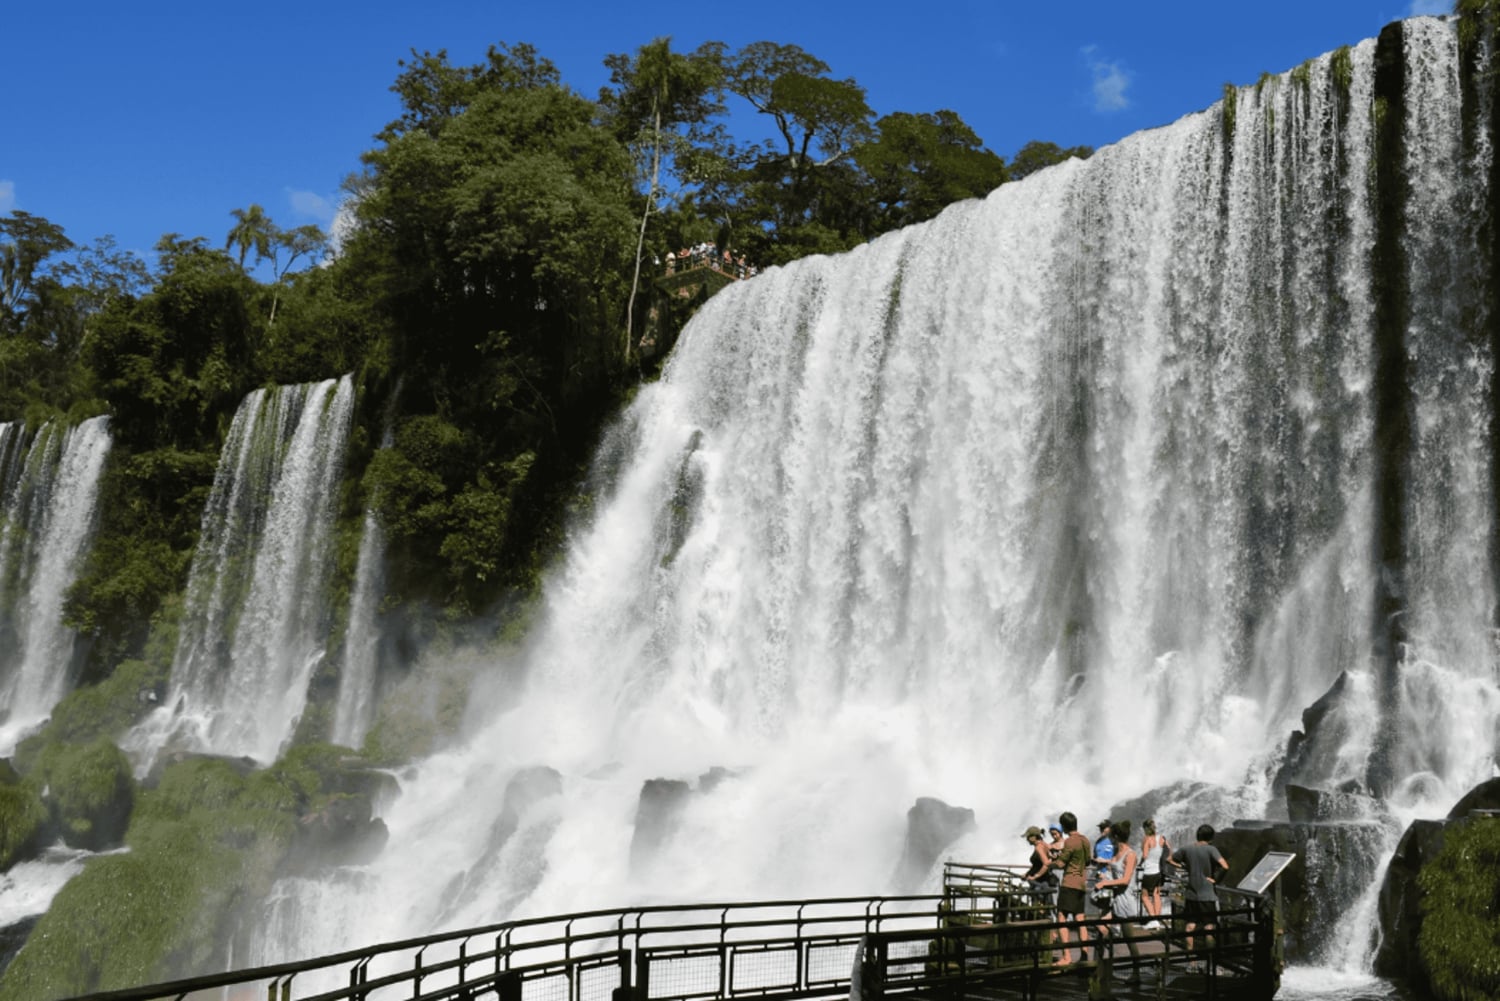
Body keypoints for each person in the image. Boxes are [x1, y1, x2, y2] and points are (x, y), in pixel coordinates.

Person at [1172, 824, 1230, 955]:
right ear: (1210, 837)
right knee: (1209, 927)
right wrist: (1215, 879)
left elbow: (1170, 859)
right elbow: (1225, 866)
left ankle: (1190, 960)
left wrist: (1186, 868)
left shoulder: (1187, 848)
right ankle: (1211, 961)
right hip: (1207, 894)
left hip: (1191, 893)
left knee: (1190, 925)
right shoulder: (1211, 849)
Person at [1094, 819, 1143, 977]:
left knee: (1130, 939)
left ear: (1115, 836)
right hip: (1116, 899)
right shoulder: (1117, 852)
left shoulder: (1131, 854)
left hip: (1126, 900)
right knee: (1101, 927)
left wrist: (1105, 883)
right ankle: (1103, 967)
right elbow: (1115, 865)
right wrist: (1103, 862)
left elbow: (1125, 879)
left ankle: (1136, 973)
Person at [1047, 812, 1091, 966]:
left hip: (1069, 883)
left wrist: (1050, 863)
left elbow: (1060, 864)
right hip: (1081, 883)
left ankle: (1066, 956)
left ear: (1064, 826)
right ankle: (1084, 955)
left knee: (1061, 918)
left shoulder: (1070, 842)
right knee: (1080, 919)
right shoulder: (1085, 840)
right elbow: (1087, 860)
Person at [1140, 818, 1170, 922]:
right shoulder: (1161, 838)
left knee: (1144, 896)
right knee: (1156, 894)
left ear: (1145, 829)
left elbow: (1144, 855)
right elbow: (1169, 850)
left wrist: (1139, 864)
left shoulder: (1147, 839)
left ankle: (1152, 918)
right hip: (1159, 871)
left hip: (1149, 870)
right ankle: (1157, 919)